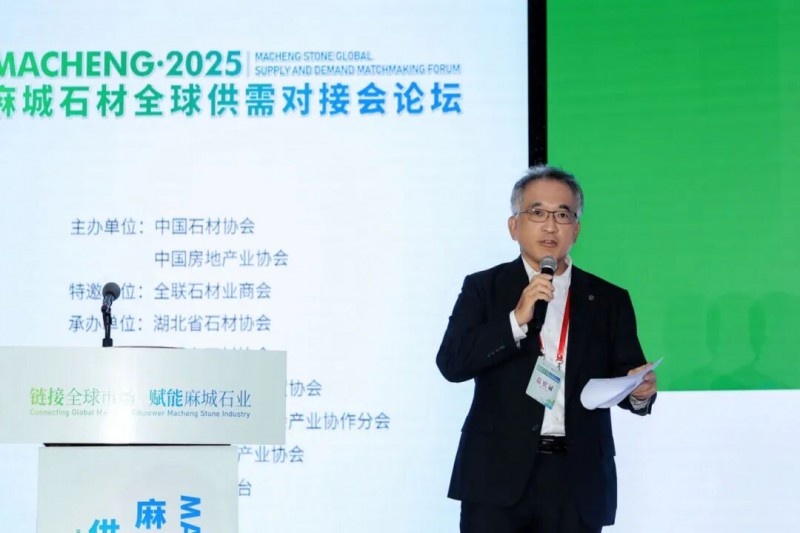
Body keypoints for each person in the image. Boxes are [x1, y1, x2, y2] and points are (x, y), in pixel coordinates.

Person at [436, 165, 657, 533]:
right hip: (496, 478)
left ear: (577, 229)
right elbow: (452, 363)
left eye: (563, 215)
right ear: (514, 226)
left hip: (577, 478)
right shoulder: (484, 288)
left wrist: (639, 392)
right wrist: (515, 320)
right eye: (537, 212)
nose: (551, 226)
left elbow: (626, 376)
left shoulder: (608, 299)